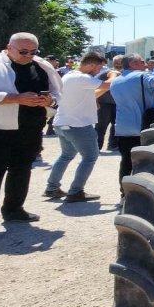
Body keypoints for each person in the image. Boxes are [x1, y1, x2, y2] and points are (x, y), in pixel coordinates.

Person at [0, 33, 62, 240]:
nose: (28, 55)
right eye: (23, 51)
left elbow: (57, 94)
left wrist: (49, 101)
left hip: (30, 128)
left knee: (22, 169)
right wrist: (15, 99)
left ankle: (14, 209)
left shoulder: (42, 66)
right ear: (9, 47)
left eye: (33, 52)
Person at [44, 52, 112, 203]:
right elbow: (108, 85)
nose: (99, 71)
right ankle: (76, 191)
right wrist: (112, 75)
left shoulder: (70, 76)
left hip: (62, 123)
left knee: (66, 156)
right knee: (90, 157)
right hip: (78, 125)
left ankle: (52, 187)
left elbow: (93, 94)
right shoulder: (83, 78)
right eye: (99, 68)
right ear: (92, 65)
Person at [109, 54, 154, 180]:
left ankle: (124, 192)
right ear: (132, 64)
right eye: (142, 62)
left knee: (126, 161)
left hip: (122, 128)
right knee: (148, 161)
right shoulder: (142, 76)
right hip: (144, 127)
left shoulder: (115, 81)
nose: (145, 64)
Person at [95, 54, 123, 150]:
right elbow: (94, 88)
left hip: (118, 104)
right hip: (104, 104)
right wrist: (96, 102)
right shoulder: (105, 74)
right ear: (113, 63)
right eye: (116, 63)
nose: (118, 65)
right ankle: (96, 146)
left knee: (117, 126)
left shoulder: (126, 74)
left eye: (120, 63)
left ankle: (112, 145)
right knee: (101, 126)